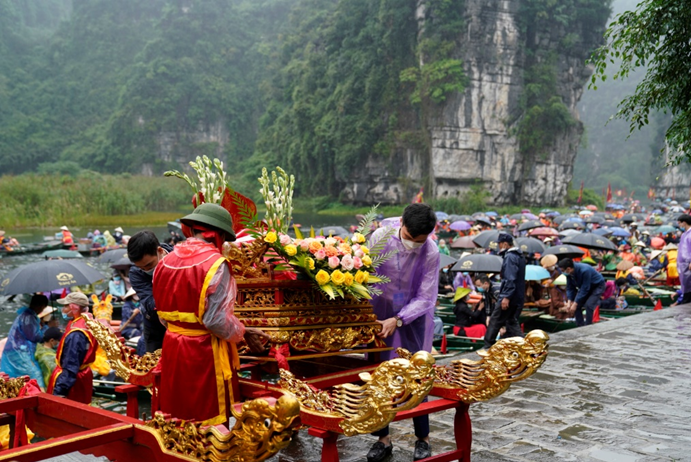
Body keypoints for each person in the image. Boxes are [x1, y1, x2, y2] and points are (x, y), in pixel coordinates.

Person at [152, 203, 268, 425]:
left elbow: (162, 315)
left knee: (178, 413)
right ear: (220, 234)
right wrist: (243, 331)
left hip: (173, 346)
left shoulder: (164, 261)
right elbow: (215, 320)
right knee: (207, 419)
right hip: (203, 351)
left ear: (192, 230)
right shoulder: (216, 263)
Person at [367, 203, 439, 462]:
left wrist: (398, 319)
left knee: (416, 374)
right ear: (401, 223)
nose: (412, 244)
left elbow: (426, 296)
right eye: (409, 238)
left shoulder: (430, 250)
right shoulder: (380, 237)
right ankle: (382, 439)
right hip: (379, 315)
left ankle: (423, 438)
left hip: (412, 318)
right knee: (378, 376)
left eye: (418, 241)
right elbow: (367, 276)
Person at [48, 292, 98, 404]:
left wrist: (59, 392)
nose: (63, 309)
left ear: (74, 308)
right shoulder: (88, 321)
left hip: (74, 382)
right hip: (84, 375)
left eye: (66, 306)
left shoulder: (76, 334)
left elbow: (71, 366)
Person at [127, 231, 173, 353]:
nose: (147, 270)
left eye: (149, 265)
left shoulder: (178, 257)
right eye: (142, 268)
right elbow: (149, 302)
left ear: (160, 251)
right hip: (155, 325)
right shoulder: (136, 273)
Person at [483, 233, 524, 349]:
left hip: (509, 295)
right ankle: (523, 343)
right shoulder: (519, 256)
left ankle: (488, 345)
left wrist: (506, 296)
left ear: (505, 244)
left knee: (495, 320)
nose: (499, 246)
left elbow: (510, 278)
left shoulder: (510, 256)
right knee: (511, 320)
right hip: (517, 295)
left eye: (500, 244)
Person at [0, 295, 50, 388]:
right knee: (35, 374)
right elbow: (34, 337)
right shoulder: (28, 317)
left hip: (16, 350)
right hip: (19, 351)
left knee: (15, 374)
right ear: (41, 306)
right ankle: (39, 393)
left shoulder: (27, 315)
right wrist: (46, 328)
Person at [558, 258, 606, 326]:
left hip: (597, 286)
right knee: (576, 307)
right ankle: (580, 325)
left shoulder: (584, 270)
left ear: (568, 269)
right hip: (585, 287)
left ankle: (588, 325)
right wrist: (569, 302)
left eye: (563, 271)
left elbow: (585, 288)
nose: (562, 272)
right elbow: (570, 288)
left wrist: (575, 303)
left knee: (589, 305)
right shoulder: (569, 274)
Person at [677, 214, 691, 304]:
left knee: (689, 285)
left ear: (684, 223)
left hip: (688, 264)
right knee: (685, 285)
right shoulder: (684, 234)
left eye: (680, 223)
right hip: (683, 265)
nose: (679, 225)